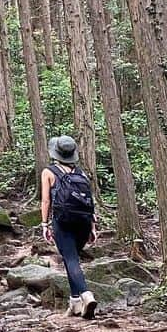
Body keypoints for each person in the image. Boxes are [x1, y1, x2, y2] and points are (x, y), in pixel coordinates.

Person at [41, 134, 98, 318]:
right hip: (83, 223)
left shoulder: (48, 172)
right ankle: (75, 303)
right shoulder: (81, 174)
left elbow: (45, 201)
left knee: (71, 259)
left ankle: (86, 295)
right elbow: (89, 201)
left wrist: (44, 224)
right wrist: (92, 227)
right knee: (70, 258)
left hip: (62, 222)